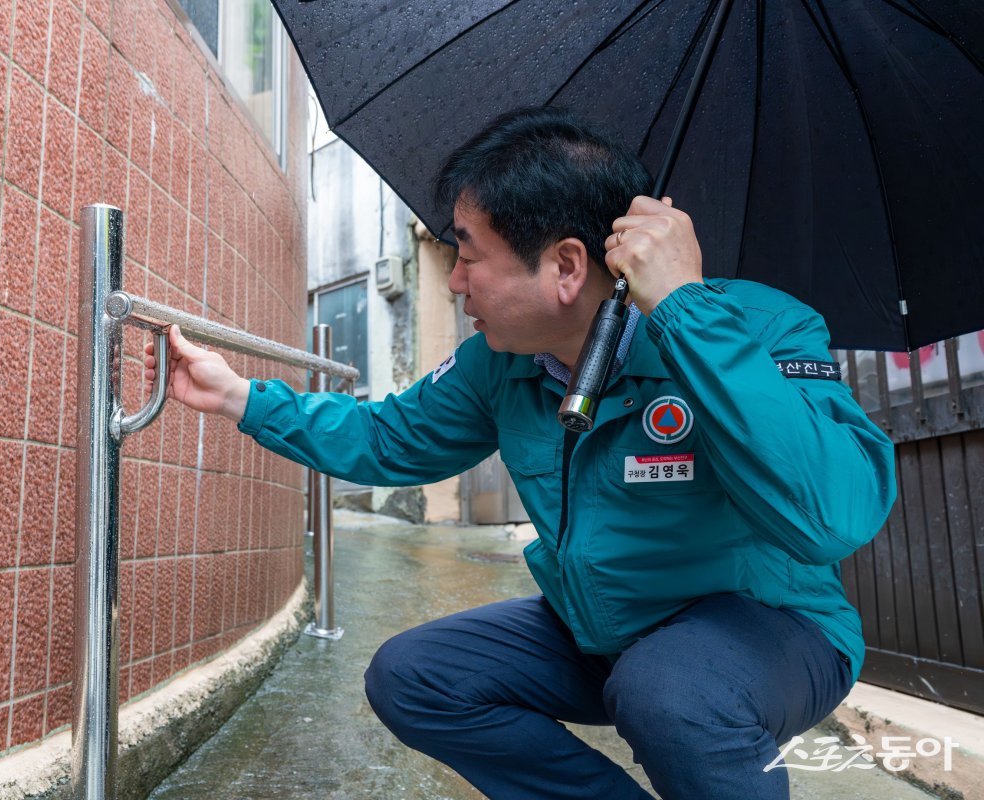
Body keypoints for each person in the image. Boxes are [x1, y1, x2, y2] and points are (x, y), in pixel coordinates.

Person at [144, 107, 896, 800]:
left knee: (671, 691)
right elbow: (388, 437)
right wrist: (240, 396)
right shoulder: (499, 360)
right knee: (415, 677)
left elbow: (833, 517)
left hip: (771, 631)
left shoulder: (759, 326)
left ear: (566, 267)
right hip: (601, 631)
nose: (458, 280)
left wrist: (686, 314)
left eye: (468, 255)